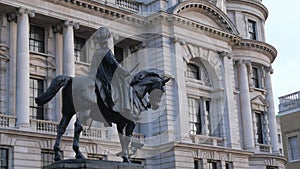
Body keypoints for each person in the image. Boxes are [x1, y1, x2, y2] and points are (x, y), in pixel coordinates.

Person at [89, 27, 131, 120]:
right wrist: (124, 71)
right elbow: (114, 63)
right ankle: (123, 107)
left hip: (95, 76)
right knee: (123, 84)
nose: (107, 42)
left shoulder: (97, 53)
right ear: (106, 41)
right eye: (107, 41)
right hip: (103, 77)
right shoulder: (106, 52)